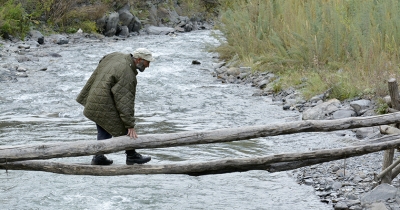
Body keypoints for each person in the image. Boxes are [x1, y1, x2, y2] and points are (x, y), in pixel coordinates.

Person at [76, 48, 155, 165]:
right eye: (147, 62)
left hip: (95, 95)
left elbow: (103, 59)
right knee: (123, 127)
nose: (148, 66)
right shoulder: (127, 74)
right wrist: (130, 125)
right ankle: (132, 155)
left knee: (105, 127)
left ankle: (99, 156)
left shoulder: (117, 55)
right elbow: (125, 103)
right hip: (102, 100)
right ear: (138, 60)